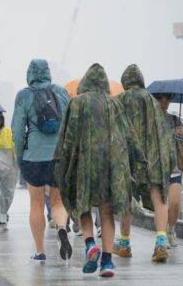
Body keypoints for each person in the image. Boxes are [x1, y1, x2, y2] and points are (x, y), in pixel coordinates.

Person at [55, 63, 145, 277]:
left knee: (82, 207)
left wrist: (61, 164)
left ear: (85, 83)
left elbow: (66, 139)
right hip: (110, 167)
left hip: (83, 165)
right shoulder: (114, 104)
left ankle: (89, 244)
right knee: (106, 213)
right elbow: (129, 135)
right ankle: (106, 261)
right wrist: (139, 162)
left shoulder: (76, 104)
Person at [113, 64, 177, 262]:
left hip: (128, 159)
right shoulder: (151, 101)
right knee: (159, 200)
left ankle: (124, 244)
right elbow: (163, 133)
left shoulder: (119, 100)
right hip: (153, 159)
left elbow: (113, 133)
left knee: (126, 200)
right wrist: (169, 160)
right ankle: (160, 243)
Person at [11, 58, 71, 262]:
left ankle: (40, 251)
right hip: (58, 155)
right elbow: (70, 124)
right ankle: (62, 228)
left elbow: (18, 132)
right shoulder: (62, 92)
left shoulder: (23, 96)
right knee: (58, 201)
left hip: (34, 157)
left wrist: (20, 157)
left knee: (36, 203)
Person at [153, 92, 183, 248]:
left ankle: (171, 229)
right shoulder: (150, 120)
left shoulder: (175, 120)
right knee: (161, 205)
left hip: (174, 169)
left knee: (175, 203)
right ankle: (162, 236)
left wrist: (182, 135)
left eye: (167, 100)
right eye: (161, 100)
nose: (164, 103)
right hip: (157, 170)